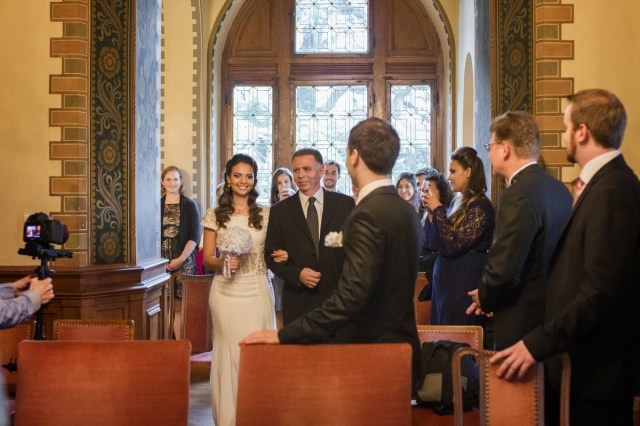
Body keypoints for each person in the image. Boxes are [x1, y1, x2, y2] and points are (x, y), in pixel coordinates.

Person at [489, 89, 640, 425]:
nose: (563, 136)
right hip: (581, 364)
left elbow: (599, 292)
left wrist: (536, 343)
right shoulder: (601, 184)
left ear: (582, 132)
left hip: (598, 372)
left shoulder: (613, 190)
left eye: (566, 127)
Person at [241, 117, 423, 393]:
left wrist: (284, 334)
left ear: (354, 156)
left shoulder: (365, 213)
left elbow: (352, 298)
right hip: (402, 348)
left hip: (371, 351)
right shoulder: (405, 210)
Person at [466, 111, 572, 350]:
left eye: (490, 146)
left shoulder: (517, 194)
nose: (488, 154)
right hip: (553, 319)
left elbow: (504, 268)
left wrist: (486, 297)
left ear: (505, 148)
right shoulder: (559, 189)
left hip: (522, 323)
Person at [201, 154, 284, 426]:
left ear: (255, 180)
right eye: (237, 175)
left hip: (257, 290)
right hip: (225, 293)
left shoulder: (267, 214)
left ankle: (257, 417)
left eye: (249, 176)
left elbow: (274, 250)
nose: (243, 181)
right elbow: (208, 259)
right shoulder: (214, 215)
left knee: (257, 354)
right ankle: (228, 419)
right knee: (229, 353)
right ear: (228, 178)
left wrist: (282, 255)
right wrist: (224, 261)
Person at [264, 148, 355, 326]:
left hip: (338, 300)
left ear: (320, 171)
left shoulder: (345, 205)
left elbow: (354, 249)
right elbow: (271, 255)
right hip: (298, 301)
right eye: (296, 170)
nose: (301, 175)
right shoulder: (279, 211)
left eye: (307, 169)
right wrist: (297, 274)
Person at [423, 147, 494, 325]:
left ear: (468, 172)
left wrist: (438, 208)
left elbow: (454, 245)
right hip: (445, 282)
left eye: (453, 171)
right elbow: (436, 243)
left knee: (458, 335)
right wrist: (431, 213)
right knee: (441, 336)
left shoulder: (481, 206)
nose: (449, 177)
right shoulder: (456, 201)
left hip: (463, 281)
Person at [160, 166, 202, 339]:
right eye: (168, 179)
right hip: (161, 263)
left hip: (184, 262)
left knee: (179, 305)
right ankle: (166, 344)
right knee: (163, 304)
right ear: (162, 182)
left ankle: (180, 344)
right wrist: (161, 262)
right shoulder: (156, 205)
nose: (172, 183)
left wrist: (180, 259)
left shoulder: (190, 205)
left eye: (175, 179)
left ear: (181, 182)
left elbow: (195, 236)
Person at [417, 170, 454, 286]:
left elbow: (438, 247)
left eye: (429, 189)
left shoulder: (448, 215)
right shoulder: (423, 217)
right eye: (423, 190)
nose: (424, 194)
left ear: (441, 193)